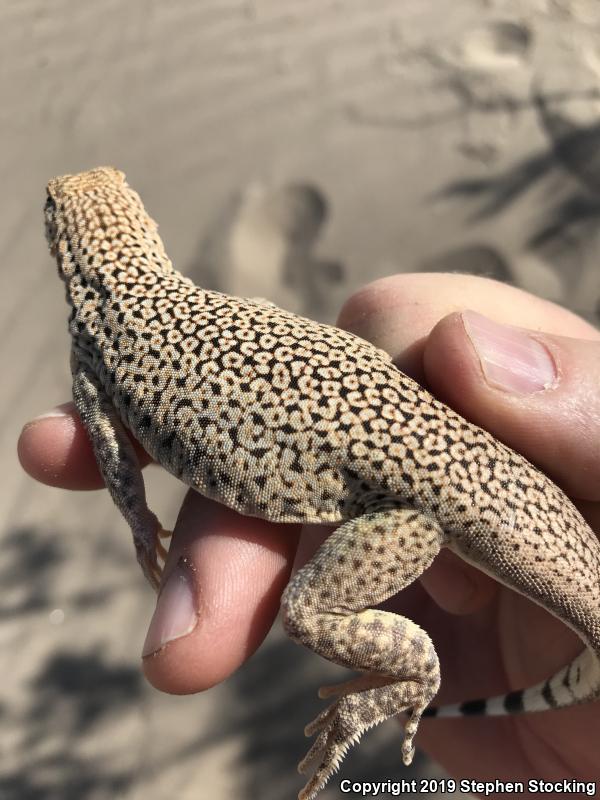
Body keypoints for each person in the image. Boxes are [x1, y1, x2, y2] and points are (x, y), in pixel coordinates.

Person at [18, 272, 600, 783]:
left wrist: (139, 521)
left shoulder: (92, 345)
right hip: (459, 460)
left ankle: (416, 671)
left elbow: (112, 456)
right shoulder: (186, 296)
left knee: (308, 613)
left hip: (431, 495)